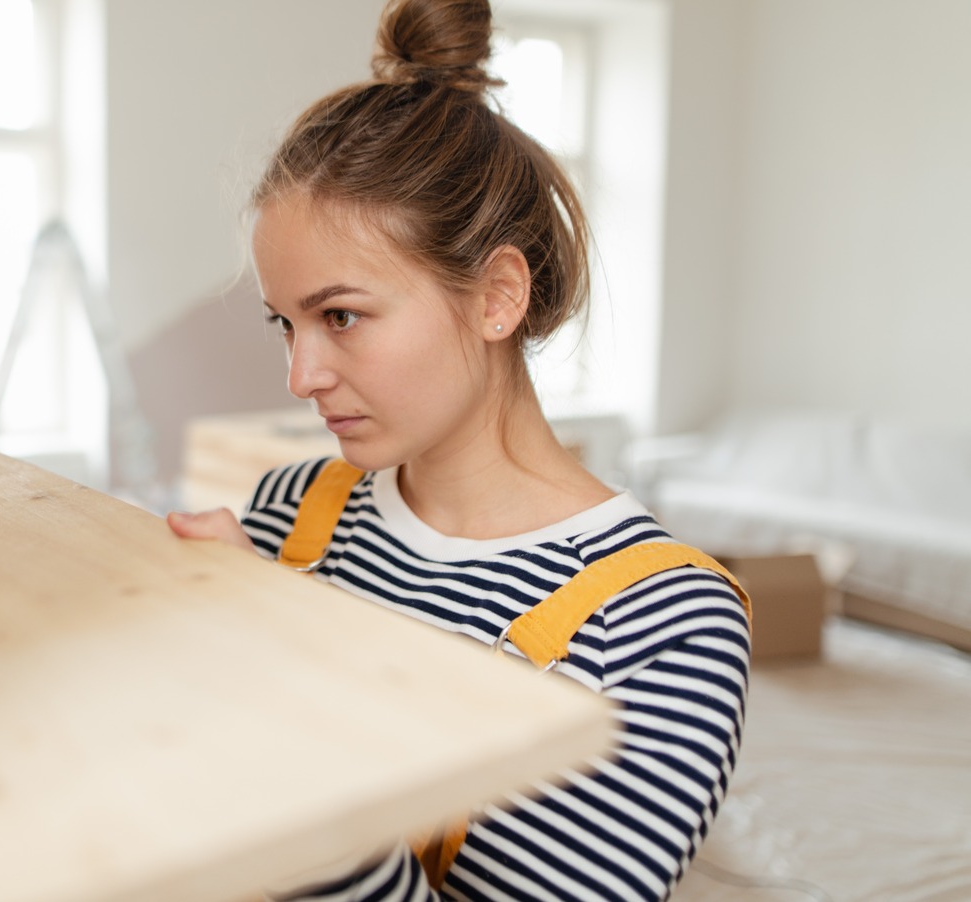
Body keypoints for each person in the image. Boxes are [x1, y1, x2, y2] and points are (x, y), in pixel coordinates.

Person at [165, 0, 751, 899]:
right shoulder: (289, 506)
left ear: (496, 297)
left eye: (342, 316)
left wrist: (280, 682)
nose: (301, 375)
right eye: (286, 324)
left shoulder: (662, 626)